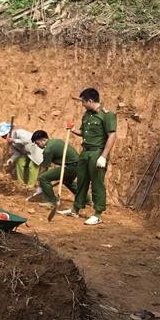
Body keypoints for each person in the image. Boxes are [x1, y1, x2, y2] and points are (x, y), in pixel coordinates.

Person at [59, 88, 117, 225]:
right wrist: (73, 130)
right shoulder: (87, 115)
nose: (82, 105)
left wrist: (103, 156)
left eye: (83, 102)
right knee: (81, 181)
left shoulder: (107, 115)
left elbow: (112, 135)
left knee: (97, 183)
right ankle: (75, 208)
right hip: (85, 151)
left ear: (90, 101)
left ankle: (97, 214)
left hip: (97, 153)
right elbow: (83, 133)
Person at [31, 129, 80, 209]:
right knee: (68, 181)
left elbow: (44, 168)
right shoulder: (56, 141)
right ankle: (87, 199)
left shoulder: (48, 149)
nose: (37, 146)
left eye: (37, 143)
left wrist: (40, 184)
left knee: (43, 177)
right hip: (77, 165)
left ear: (43, 140)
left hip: (71, 167)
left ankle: (51, 202)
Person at [0, 122, 43, 187]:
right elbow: (17, 152)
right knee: (20, 162)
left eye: (4, 135)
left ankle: (30, 185)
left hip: (36, 150)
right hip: (27, 153)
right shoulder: (11, 142)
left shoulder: (19, 133)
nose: (4, 137)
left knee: (32, 166)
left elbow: (27, 141)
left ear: (9, 132)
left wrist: (14, 140)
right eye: (2, 136)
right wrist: (11, 159)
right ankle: (21, 184)